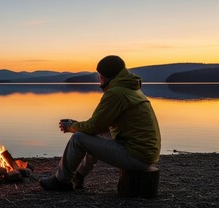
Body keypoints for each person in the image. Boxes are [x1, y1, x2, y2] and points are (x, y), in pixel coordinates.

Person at [40, 55, 161, 191]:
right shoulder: (130, 89)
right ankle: (78, 176)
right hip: (145, 154)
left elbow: (94, 126)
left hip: (137, 157)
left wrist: (71, 127)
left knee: (78, 138)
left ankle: (61, 181)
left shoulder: (116, 93)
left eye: (99, 74)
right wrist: (77, 124)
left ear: (105, 76)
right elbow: (99, 126)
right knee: (98, 134)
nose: (98, 77)